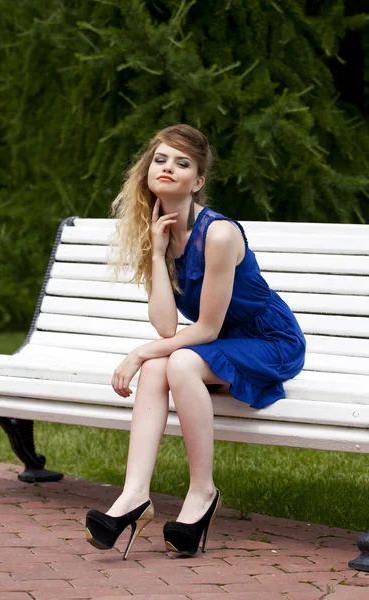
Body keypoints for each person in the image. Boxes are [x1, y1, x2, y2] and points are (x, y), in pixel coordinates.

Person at [84, 124, 306, 560]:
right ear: (148, 170)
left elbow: (201, 330)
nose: (168, 168)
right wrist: (155, 251)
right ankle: (134, 495)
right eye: (161, 159)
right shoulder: (162, 231)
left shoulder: (219, 234)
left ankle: (202, 493)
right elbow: (168, 328)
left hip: (270, 341)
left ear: (198, 182)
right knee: (159, 364)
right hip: (218, 344)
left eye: (182, 163)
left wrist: (137, 351)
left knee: (176, 361)